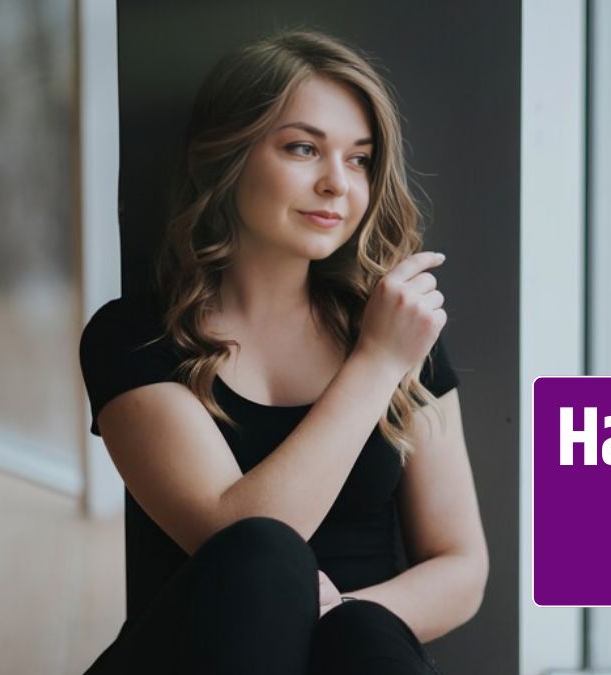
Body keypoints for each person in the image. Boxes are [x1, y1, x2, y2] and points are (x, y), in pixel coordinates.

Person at [78, 30, 487, 674]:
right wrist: (375, 364)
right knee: (268, 557)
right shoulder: (135, 337)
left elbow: (462, 567)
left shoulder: (397, 329)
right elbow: (241, 543)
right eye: (303, 148)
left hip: (356, 646)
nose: (337, 184)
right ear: (228, 158)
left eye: (359, 158)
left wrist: (339, 612)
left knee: (366, 645)